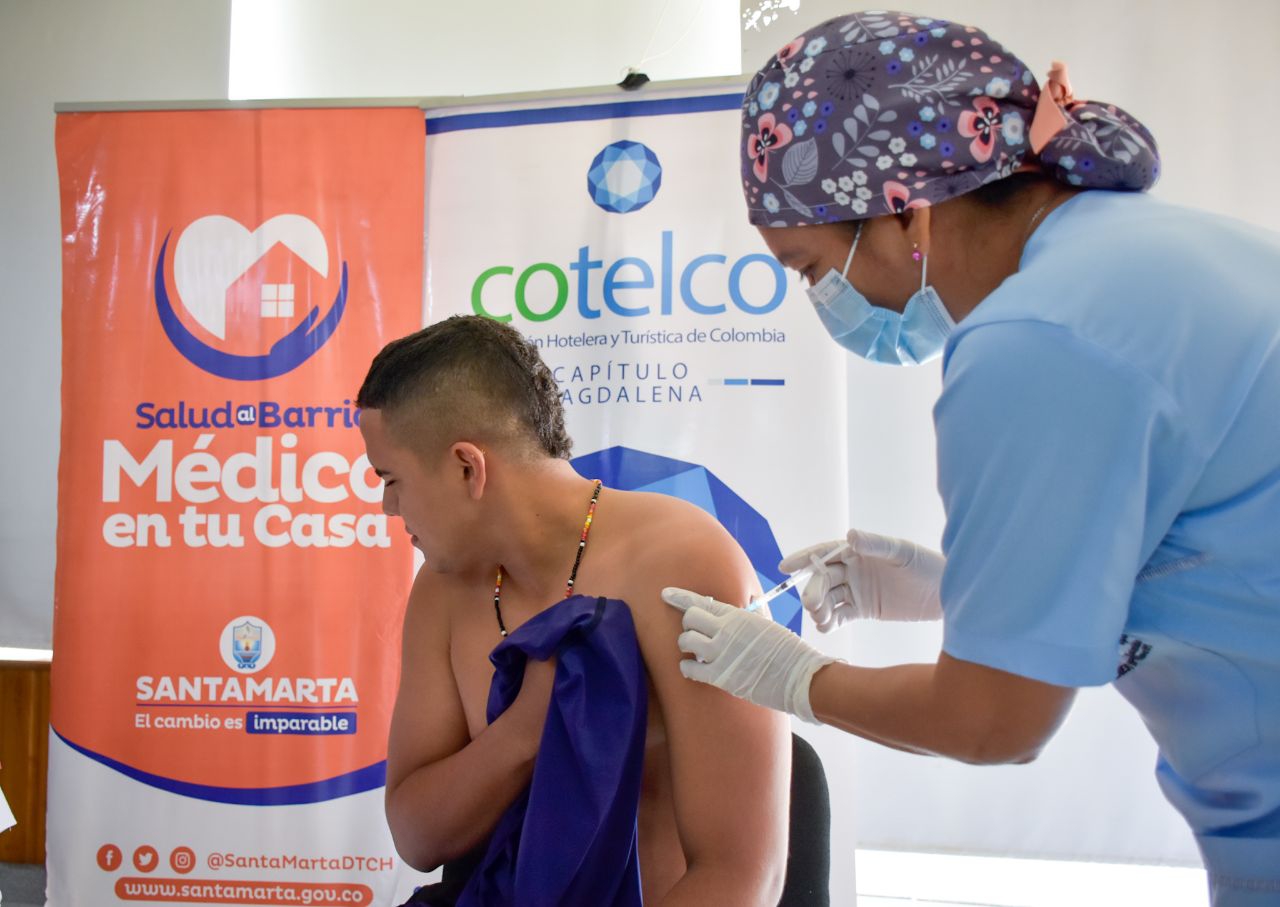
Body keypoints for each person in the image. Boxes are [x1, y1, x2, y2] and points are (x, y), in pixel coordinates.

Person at [664, 10, 1280, 906]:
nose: (823, 301)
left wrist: (794, 678)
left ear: (902, 211)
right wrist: (958, 589)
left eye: (809, 269)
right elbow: (1223, 548)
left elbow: (995, 721)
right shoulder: (1162, 253)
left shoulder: (1034, 338)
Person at [356, 315, 790, 905]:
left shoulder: (683, 564)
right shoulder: (443, 588)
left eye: (391, 478)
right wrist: (524, 731)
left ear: (467, 467)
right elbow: (416, 837)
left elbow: (743, 877)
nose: (387, 506)